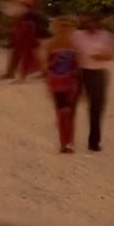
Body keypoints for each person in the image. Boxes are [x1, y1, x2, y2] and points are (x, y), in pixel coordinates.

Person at [73, 13, 114, 152]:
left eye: (92, 21)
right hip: (79, 72)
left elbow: (112, 54)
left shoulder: (106, 36)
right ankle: (67, 140)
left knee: (96, 108)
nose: (89, 24)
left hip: (98, 72)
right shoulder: (77, 35)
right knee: (71, 105)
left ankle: (94, 141)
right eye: (87, 21)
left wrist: (102, 56)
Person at [0, 0, 42, 81]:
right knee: (24, 43)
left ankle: (13, 71)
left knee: (22, 43)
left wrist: (29, 6)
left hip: (22, 12)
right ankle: (35, 69)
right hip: (14, 11)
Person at [43, 16, 82, 153]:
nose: (64, 28)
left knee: (70, 114)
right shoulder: (50, 44)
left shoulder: (75, 45)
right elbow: (45, 66)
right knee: (62, 113)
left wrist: (77, 80)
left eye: (67, 25)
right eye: (61, 25)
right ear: (55, 27)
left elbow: (78, 65)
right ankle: (63, 143)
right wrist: (53, 64)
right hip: (57, 83)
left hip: (71, 83)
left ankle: (69, 142)